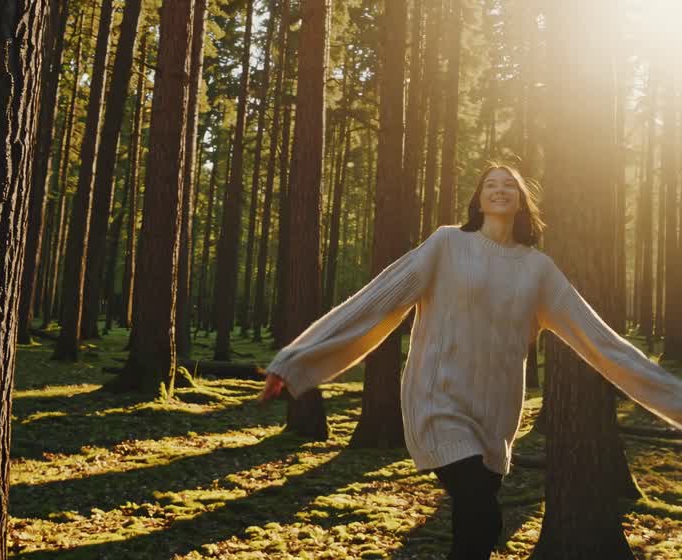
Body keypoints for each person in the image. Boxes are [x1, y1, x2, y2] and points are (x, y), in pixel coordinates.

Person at [259, 163, 682, 560]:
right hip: (438, 400)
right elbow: (377, 298)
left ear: (522, 202)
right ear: (478, 200)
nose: (499, 190)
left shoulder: (538, 269)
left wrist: (675, 402)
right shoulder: (447, 243)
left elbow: (601, 342)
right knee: (482, 512)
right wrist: (295, 360)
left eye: (509, 185)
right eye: (490, 185)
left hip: (495, 418)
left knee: (475, 528)